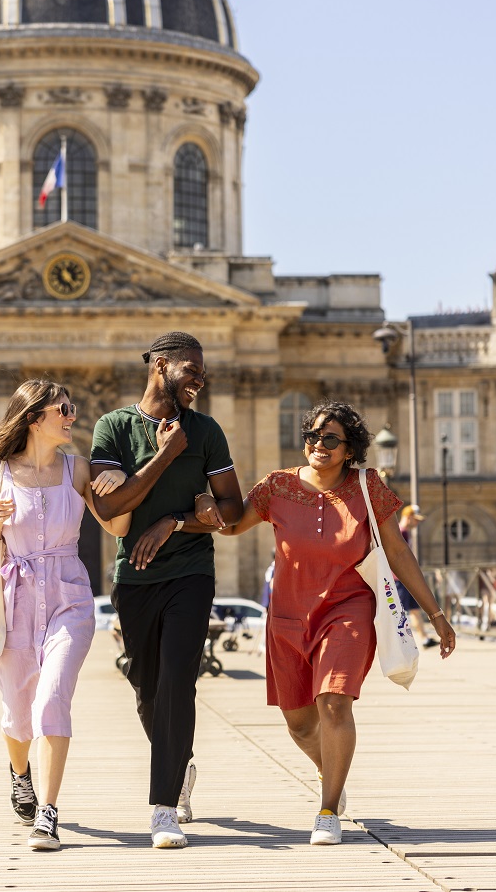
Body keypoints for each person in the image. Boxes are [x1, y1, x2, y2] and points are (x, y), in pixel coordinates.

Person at [196, 399, 456, 847]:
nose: (318, 444)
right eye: (313, 436)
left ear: (350, 447)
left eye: (330, 438)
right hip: (287, 616)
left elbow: (397, 551)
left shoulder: (367, 486)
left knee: (334, 702)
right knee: (298, 723)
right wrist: (201, 502)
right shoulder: (278, 486)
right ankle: (330, 770)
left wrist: (435, 615)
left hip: (348, 608)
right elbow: (233, 525)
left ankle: (328, 808)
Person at [0, 378, 131, 851]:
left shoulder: (78, 471)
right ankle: (20, 773)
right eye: (64, 409)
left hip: (69, 596)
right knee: (17, 715)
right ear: (35, 419)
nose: (72, 415)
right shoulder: (0, 470)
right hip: (14, 601)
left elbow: (116, 525)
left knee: (52, 697)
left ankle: (48, 814)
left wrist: (118, 486)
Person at [90, 331, 243, 849]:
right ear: (160, 366)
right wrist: (164, 456)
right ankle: (179, 763)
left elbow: (232, 511)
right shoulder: (113, 427)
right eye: (190, 370)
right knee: (146, 691)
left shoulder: (206, 431)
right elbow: (110, 509)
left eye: (203, 372)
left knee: (180, 680)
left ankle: (163, 808)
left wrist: (175, 522)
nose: (199, 379)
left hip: (191, 573)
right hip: (134, 579)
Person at [395, 506, 438, 649]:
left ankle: (424, 638)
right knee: (401, 611)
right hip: (401, 578)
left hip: (406, 577)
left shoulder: (405, 532)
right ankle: (400, 642)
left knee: (414, 609)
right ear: (408, 517)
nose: (417, 524)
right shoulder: (402, 533)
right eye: (416, 520)